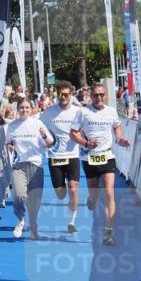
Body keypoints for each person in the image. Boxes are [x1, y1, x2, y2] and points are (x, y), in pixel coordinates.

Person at [70, 83, 131, 246]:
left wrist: (120, 139)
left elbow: (117, 127)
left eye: (102, 95)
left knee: (109, 192)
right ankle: (91, 200)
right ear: (91, 95)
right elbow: (73, 133)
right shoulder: (83, 112)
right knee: (95, 196)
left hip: (107, 155)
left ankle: (109, 233)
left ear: (106, 96)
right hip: (90, 158)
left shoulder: (111, 111)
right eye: (96, 95)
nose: (99, 98)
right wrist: (85, 143)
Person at [6, 98, 55, 240]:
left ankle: (33, 223)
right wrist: (9, 146)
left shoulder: (37, 123)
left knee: (35, 200)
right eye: (22, 107)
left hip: (36, 165)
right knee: (20, 195)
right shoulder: (12, 126)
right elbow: (8, 142)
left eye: (27, 107)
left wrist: (44, 136)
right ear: (17, 109)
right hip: (19, 165)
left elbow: (50, 143)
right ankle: (21, 219)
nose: (24, 110)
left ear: (32, 109)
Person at [40, 81, 82, 233]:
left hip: (72, 155)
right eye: (61, 94)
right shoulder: (48, 113)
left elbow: (86, 128)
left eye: (66, 94)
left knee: (73, 188)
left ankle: (72, 222)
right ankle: (62, 188)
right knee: (60, 193)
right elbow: (38, 128)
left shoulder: (78, 112)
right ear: (57, 94)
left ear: (71, 95)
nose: (63, 97)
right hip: (55, 156)